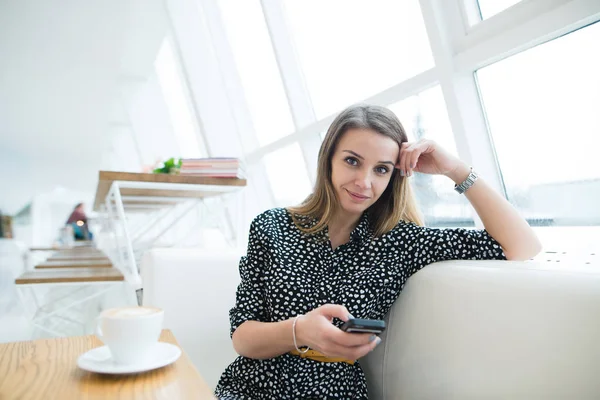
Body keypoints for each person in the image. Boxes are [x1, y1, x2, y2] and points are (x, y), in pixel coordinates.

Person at [214, 104, 541, 399]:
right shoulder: (272, 227)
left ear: (393, 175)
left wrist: (454, 169)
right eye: (352, 161)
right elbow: (242, 337)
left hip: (334, 393)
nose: (364, 182)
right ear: (328, 159)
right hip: (251, 388)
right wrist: (299, 331)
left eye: (381, 169)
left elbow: (523, 246)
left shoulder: (401, 241)